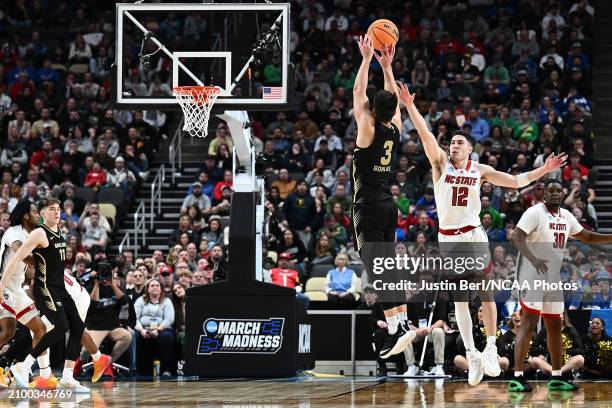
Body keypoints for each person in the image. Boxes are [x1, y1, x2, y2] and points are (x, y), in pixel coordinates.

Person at [398, 82, 567, 385]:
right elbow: (425, 135)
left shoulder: (480, 169)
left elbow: (516, 182)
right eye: (452, 142)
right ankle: (473, 354)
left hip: (474, 234)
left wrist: (545, 169)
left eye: (460, 143)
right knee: (460, 300)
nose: (454, 146)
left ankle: (490, 348)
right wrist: (410, 105)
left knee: (485, 292)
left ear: (471, 149)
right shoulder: (440, 166)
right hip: (449, 239)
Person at [510, 179, 612, 392]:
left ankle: (557, 376)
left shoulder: (566, 216)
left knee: (555, 326)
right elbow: (516, 236)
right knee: (529, 323)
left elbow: (588, 236)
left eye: (559, 191)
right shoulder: (535, 212)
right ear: (544, 194)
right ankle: (517, 377)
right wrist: (533, 258)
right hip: (532, 273)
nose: (555, 194)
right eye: (551, 190)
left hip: (553, 277)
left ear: (563, 194)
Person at [0, 198, 107, 392]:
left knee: (46, 329)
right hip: (12, 286)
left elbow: (39, 262)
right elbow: (19, 255)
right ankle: (18, 367)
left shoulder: (53, 232)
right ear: (37, 214)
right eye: (51, 209)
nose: (58, 212)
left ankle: (54, 376)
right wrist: (3, 285)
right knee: (15, 331)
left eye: (59, 209)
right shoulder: (20, 233)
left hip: (46, 288)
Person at [351, 35, 414, 360]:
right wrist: (387, 67)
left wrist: (366, 59)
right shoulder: (394, 129)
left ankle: (394, 327)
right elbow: (394, 103)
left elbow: (357, 93)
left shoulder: (368, 129)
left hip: (368, 206)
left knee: (376, 269)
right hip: (388, 205)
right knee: (389, 265)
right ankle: (402, 321)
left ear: (374, 110)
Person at [0, 200, 49, 387]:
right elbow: (22, 254)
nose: (38, 215)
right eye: (35, 212)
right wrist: (45, 261)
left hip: (15, 288)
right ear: (26, 215)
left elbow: (25, 268)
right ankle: (20, 368)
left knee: (21, 331)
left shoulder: (31, 234)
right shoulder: (13, 232)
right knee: (19, 331)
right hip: (4, 287)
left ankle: (27, 370)